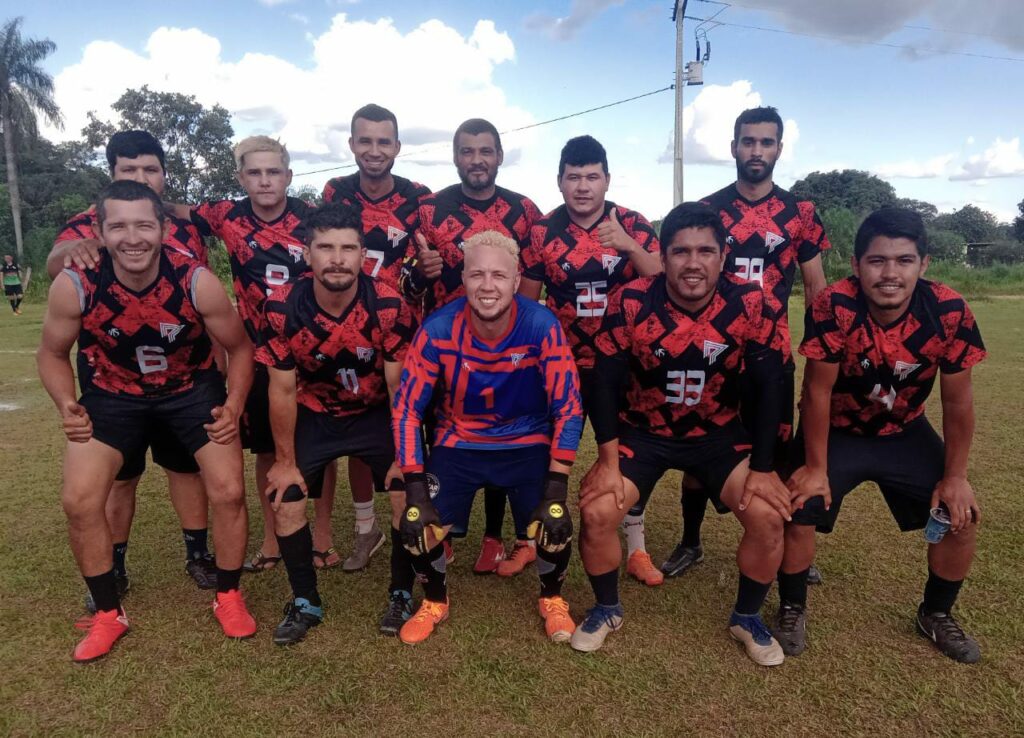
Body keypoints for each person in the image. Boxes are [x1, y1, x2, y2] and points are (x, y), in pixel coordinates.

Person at [37, 180, 257, 662]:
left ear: (162, 228)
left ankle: (229, 595)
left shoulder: (194, 279)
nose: (131, 237)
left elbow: (240, 348)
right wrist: (65, 403)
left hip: (189, 391)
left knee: (229, 490)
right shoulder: (76, 282)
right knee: (78, 500)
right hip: (112, 396)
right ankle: (107, 615)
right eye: (118, 226)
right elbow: (52, 353)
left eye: (143, 224)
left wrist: (234, 406)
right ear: (100, 230)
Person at [574, 202, 791, 666]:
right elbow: (604, 381)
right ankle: (606, 608)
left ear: (724, 253)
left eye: (706, 251)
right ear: (663, 254)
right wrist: (608, 462)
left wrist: (765, 468)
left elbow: (773, 385)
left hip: (718, 432)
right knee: (595, 511)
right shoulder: (631, 300)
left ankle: (747, 617)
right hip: (644, 429)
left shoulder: (755, 302)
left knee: (769, 516)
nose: (693, 263)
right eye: (680, 251)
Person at [779, 207, 985, 663]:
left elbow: (958, 402)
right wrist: (814, 468)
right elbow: (816, 390)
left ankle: (936, 613)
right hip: (837, 430)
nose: (890, 273)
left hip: (904, 429)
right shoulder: (834, 303)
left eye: (904, 260)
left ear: (924, 264)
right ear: (856, 266)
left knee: (960, 515)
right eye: (877, 261)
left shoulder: (949, 310)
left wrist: (955, 475)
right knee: (797, 507)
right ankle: (792, 606)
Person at [650, 107, 830, 584]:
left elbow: (816, 288)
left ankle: (787, 540)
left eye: (766, 143)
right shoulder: (710, 211)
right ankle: (691, 541)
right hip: (716, 354)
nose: (756, 151)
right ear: (733, 147)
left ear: (779, 149)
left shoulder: (801, 214)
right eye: (748, 142)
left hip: (773, 353)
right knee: (698, 444)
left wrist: (819, 358)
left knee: (781, 452)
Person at [392, 230, 583, 645]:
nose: (488, 285)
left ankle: (552, 598)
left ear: (517, 281)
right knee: (416, 522)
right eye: (477, 274)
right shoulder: (438, 328)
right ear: (463, 279)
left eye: (499, 275)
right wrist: (414, 486)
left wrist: (557, 483)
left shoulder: (542, 326)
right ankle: (435, 601)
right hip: (458, 441)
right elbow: (407, 409)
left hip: (526, 441)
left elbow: (568, 406)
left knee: (553, 522)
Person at [46, 130, 216, 599]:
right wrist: (67, 253)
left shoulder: (183, 224)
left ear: (163, 174)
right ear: (113, 174)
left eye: (150, 169)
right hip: (114, 376)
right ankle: (116, 564)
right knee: (122, 475)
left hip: (185, 373)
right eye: (129, 170)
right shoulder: (92, 223)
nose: (142, 177)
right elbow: (54, 264)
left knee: (186, 469)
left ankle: (197, 554)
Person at [258, 203, 418, 643]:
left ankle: (402, 592)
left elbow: (399, 390)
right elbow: (282, 389)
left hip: (374, 412)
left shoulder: (386, 303)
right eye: (325, 247)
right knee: (286, 495)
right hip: (317, 412)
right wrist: (286, 461)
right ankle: (305, 600)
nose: (337, 258)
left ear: (362, 254)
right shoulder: (281, 305)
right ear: (306, 253)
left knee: (408, 491)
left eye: (348, 248)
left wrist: (406, 457)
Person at [185, 136, 341, 574]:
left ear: (289, 176)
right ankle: (274, 539)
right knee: (269, 452)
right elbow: (173, 213)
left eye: (274, 171)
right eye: (254, 172)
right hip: (255, 354)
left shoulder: (312, 219)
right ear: (241, 178)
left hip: (312, 350)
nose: (265, 180)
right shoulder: (225, 215)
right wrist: (90, 220)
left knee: (318, 447)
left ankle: (322, 537)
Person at [399, 117, 544, 576]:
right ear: (456, 156)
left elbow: (533, 283)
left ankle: (496, 537)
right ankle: (447, 523)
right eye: (467, 151)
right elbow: (404, 284)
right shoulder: (429, 211)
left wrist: (514, 339)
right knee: (444, 430)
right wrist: (422, 271)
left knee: (502, 431)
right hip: (446, 348)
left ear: (499, 155)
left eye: (485, 151)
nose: (476, 160)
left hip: (505, 348)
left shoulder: (524, 211)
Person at [519, 134, 663, 586]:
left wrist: (629, 246)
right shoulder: (542, 231)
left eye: (592, 177)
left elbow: (664, 283)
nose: (583, 186)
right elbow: (527, 303)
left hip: (623, 362)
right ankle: (530, 538)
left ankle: (636, 545)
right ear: (560, 181)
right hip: (560, 363)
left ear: (607, 179)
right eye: (574, 177)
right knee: (541, 448)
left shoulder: (633, 223)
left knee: (627, 450)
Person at [322, 104, 432, 570]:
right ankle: (367, 529)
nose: (374, 150)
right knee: (358, 429)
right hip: (346, 330)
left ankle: (419, 517)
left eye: (383, 142)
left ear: (397, 147)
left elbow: (427, 268)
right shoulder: (336, 191)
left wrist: (428, 272)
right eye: (364, 141)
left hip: (403, 333)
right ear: (351, 145)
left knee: (408, 426)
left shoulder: (419, 197)